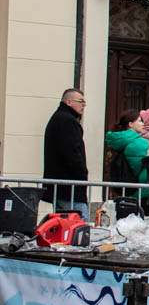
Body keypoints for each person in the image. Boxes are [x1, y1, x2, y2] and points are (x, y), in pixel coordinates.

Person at [41, 88, 89, 216]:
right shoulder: (67, 121)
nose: (84, 105)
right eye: (80, 101)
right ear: (68, 102)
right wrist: (82, 174)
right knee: (78, 223)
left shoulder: (59, 118)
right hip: (70, 187)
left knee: (63, 225)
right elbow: (72, 153)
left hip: (60, 186)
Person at [105, 110, 149, 202]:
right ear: (130, 124)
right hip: (141, 190)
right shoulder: (141, 143)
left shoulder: (116, 141)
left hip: (121, 187)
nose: (143, 124)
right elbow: (146, 167)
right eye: (139, 121)